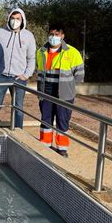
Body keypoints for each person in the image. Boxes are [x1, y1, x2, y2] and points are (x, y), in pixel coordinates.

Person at [36, 22, 84, 157]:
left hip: (64, 93)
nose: (53, 37)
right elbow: (39, 70)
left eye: (57, 34)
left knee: (63, 120)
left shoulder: (72, 52)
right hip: (46, 91)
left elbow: (79, 75)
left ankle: (62, 149)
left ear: (62, 36)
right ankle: (44, 145)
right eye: (51, 34)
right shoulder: (40, 51)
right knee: (46, 119)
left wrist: (67, 86)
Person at [0, 8, 36, 128]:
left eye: (18, 19)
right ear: (9, 18)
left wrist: (26, 75)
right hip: (1, 76)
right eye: (13, 18)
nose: (15, 21)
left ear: (23, 20)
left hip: (19, 78)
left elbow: (31, 58)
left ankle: (19, 133)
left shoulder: (28, 36)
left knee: (18, 108)